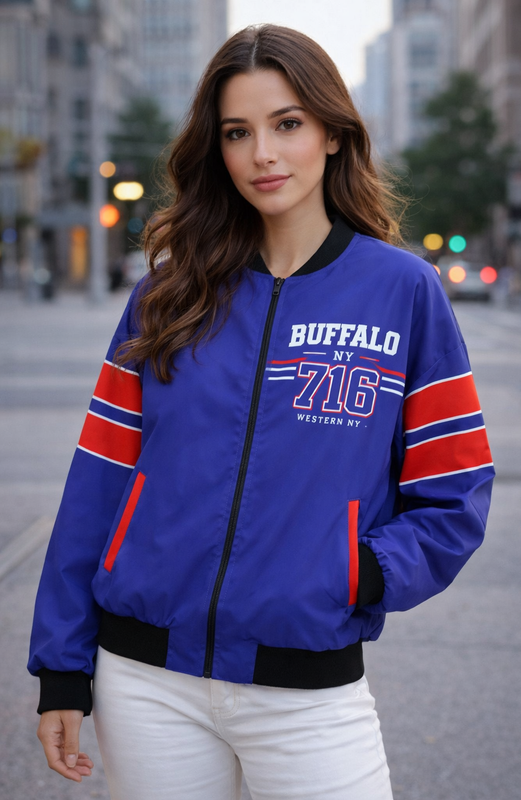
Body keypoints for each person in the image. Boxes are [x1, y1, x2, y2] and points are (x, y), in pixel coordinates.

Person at [28, 25, 494, 800]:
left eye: (286, 125)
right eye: (237, 134)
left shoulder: (402, 293)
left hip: (307, 688)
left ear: (333, 134)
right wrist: (62, 668)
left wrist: (358, 571)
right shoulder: (167, 297)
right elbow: (99, 483)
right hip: (145, 683)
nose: (262, 156)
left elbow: (455, 492)